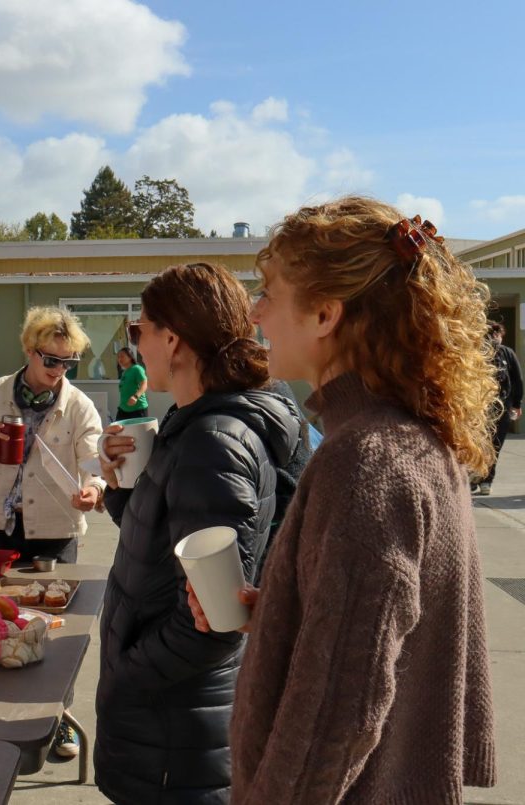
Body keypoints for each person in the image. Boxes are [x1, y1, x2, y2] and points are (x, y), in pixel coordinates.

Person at [191, 199, 497, 802]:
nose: (255, 312)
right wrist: (273, 609)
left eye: (270, 293)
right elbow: (373, 626)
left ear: (326, 314)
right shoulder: (411, 436)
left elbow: (340, 707)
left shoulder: (367, 461)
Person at [94, 263, 300, 804]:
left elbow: (215, 621)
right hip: (171, 723)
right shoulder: (192, 425)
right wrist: (122, 488)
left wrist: (126, 673)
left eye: (139, 330)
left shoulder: (212, 441)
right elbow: (164, 550)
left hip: (174, 732)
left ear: (174, 339)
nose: (136, 345)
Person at [0, 306, 105, 565]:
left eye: (69, 362)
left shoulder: (80, 406)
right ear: (29, 349)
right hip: (1, 529)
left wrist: (94, 488)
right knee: (2, 604)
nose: (59, 369)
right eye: (51, 360)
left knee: (56, 603)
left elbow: (95, 459)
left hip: (57, 530)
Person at [474, 321, 522, 495]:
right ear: (497, 334)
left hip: (482, 407)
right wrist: (517, 404)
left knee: (482, 444)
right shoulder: (506, 353)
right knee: (494, 445)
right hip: (499, 406)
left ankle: (479, 478)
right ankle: (484, 480)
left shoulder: (478, 353)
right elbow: (518, 380)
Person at [114, 345, 148, 420]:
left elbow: (144, 384)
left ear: (130, 357)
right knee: (117, 430)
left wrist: (135, 396)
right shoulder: (124, 372)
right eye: (118, 357)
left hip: (138, 409)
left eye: (122, 356)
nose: (119, 359)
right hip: (123, 409)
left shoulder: (137, 369)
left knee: (138, 432)